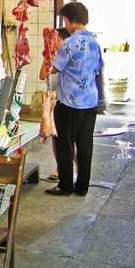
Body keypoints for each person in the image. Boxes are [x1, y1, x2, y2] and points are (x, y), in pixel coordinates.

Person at [46, 2, 102, 197]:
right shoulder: (95, 42)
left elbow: (53, 68)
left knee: (65, 144)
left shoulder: (70, 43)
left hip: (70, 101)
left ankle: (65, 185)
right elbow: (98, 68)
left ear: (68, 21)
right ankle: (82, 186)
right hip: (90, 100)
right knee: (85, 143)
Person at [39, 27, 77, 181]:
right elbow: (42, 76)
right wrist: (46, 57)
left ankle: (77, 169)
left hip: (66, 101)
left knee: (68, 139)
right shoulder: (50, 56)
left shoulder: (66, 56)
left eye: (57, 40)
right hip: (53, 100)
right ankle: (59, 168)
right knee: (56, 136)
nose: (55, 43)